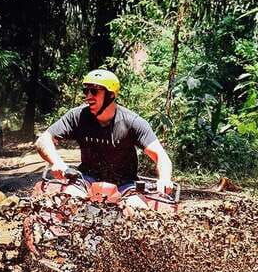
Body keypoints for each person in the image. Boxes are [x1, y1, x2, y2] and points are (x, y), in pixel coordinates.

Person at [35, 69, 174, 192]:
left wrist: (165, 179)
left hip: (126, 184)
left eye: (94, 91)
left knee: (135, 211)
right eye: (86, 91)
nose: (88, 96)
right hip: (86, 179)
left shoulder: (132, 122)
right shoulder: (77, 116)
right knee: (68, 200)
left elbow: (161, 156)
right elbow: (43, 140)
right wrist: (57, 162)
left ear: (110, 95)